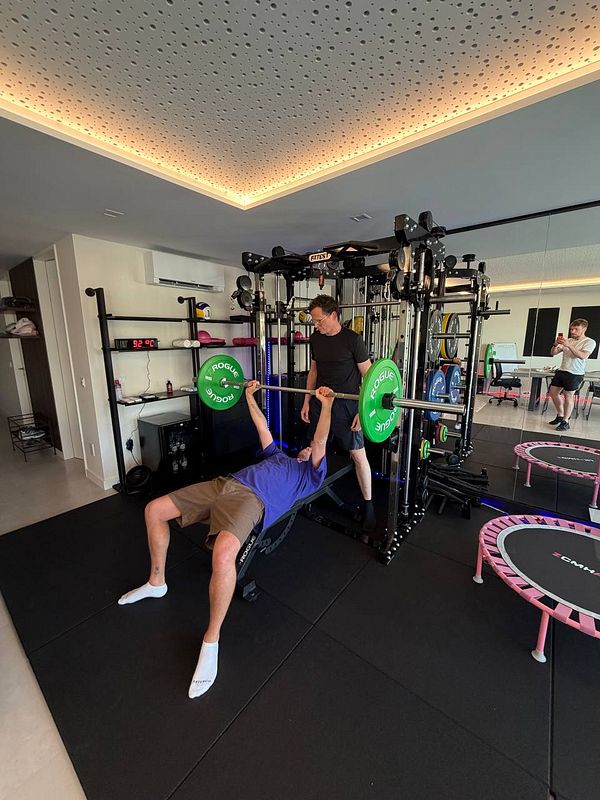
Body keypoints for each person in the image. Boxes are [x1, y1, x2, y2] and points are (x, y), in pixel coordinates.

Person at [118, 381, 334, 698]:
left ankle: (211, 640)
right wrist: (248, 396)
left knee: (222, 555)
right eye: (304, 448)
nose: (307, 450)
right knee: (154, 509)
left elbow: (320, 438)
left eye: (310, 451)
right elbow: (261, 424)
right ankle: (156, 582)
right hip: (224, 485)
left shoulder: (309, 475)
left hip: (252, 501)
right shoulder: (278, 455)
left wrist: (325, 407)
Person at [301, 294, 375, 529]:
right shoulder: (316, 338)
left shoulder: (353, 340)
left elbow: (370, 379)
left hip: (347, 407)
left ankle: (369, 506)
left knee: (358, 455)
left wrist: (364, 414)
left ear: (333, 315)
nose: (316, 325)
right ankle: (310, 495)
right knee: (316, 450)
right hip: (320, 404)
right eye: (313, 321)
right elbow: (313, 371)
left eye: (319, 320)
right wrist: (306, 400)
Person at [548, 318, 596, 431]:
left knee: (568, 396)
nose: (573, 331)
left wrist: (569, 345)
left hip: (575, 373)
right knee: (553, 393)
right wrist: (555, 344)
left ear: (584, 329)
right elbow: (553, 353)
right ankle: (560, 415)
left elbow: (583, 356)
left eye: (576, 329)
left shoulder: (589, 342)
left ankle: (566, 421)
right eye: (571, 329)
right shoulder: (568, 340)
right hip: (562, 370)